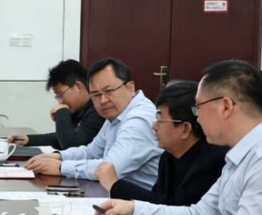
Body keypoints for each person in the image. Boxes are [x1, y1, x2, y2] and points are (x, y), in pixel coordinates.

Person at [96, 60, 262, 215]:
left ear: (225, 107)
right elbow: (199, 214)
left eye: (198, 108)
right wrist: (133, 208)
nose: (198, 118)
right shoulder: (240, 154)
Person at [25, 57, 161, 190]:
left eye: (109, 91)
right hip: (117, 193)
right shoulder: (117, 113)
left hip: (140, 200)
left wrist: (61, 167)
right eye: (96, 95)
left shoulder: (139, 120)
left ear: (130, 87)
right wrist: (58, 156)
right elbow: (91, 152)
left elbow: (109, 168)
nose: (103, 100)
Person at [97, 81, 226, 206]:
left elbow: (177, 209)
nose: (154, 126)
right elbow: (158, 200)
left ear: (185, 129)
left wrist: (115, 186)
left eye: (159, 119)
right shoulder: (169, 156)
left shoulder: (212, 162)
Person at [6, 60, 103, 150]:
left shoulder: (99, 109)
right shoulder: (80, 109)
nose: (60, 101)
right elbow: (64, 137)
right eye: (57, 97)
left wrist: (62, 112)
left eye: (61, 95)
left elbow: (71, 145)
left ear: (78, 86)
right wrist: (29, 139)